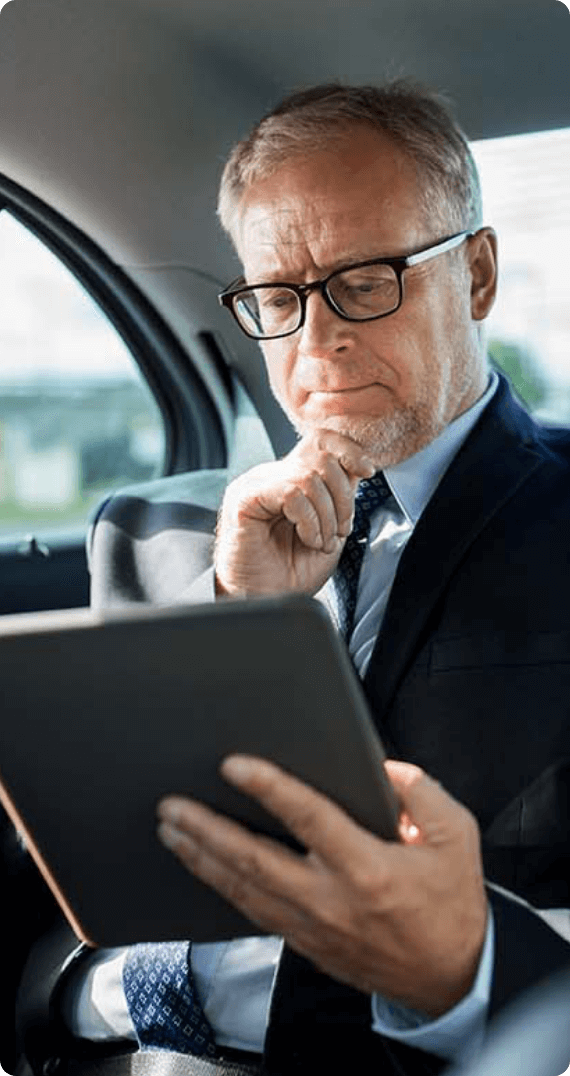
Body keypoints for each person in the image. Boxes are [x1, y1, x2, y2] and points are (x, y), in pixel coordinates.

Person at [8, 81, 570, 1076]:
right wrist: (234, 614)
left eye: (365, 280)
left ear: (477, 275)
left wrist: (471, 967)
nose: (316, 341)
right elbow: (67, 868)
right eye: (278, 298)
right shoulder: (149, 533)